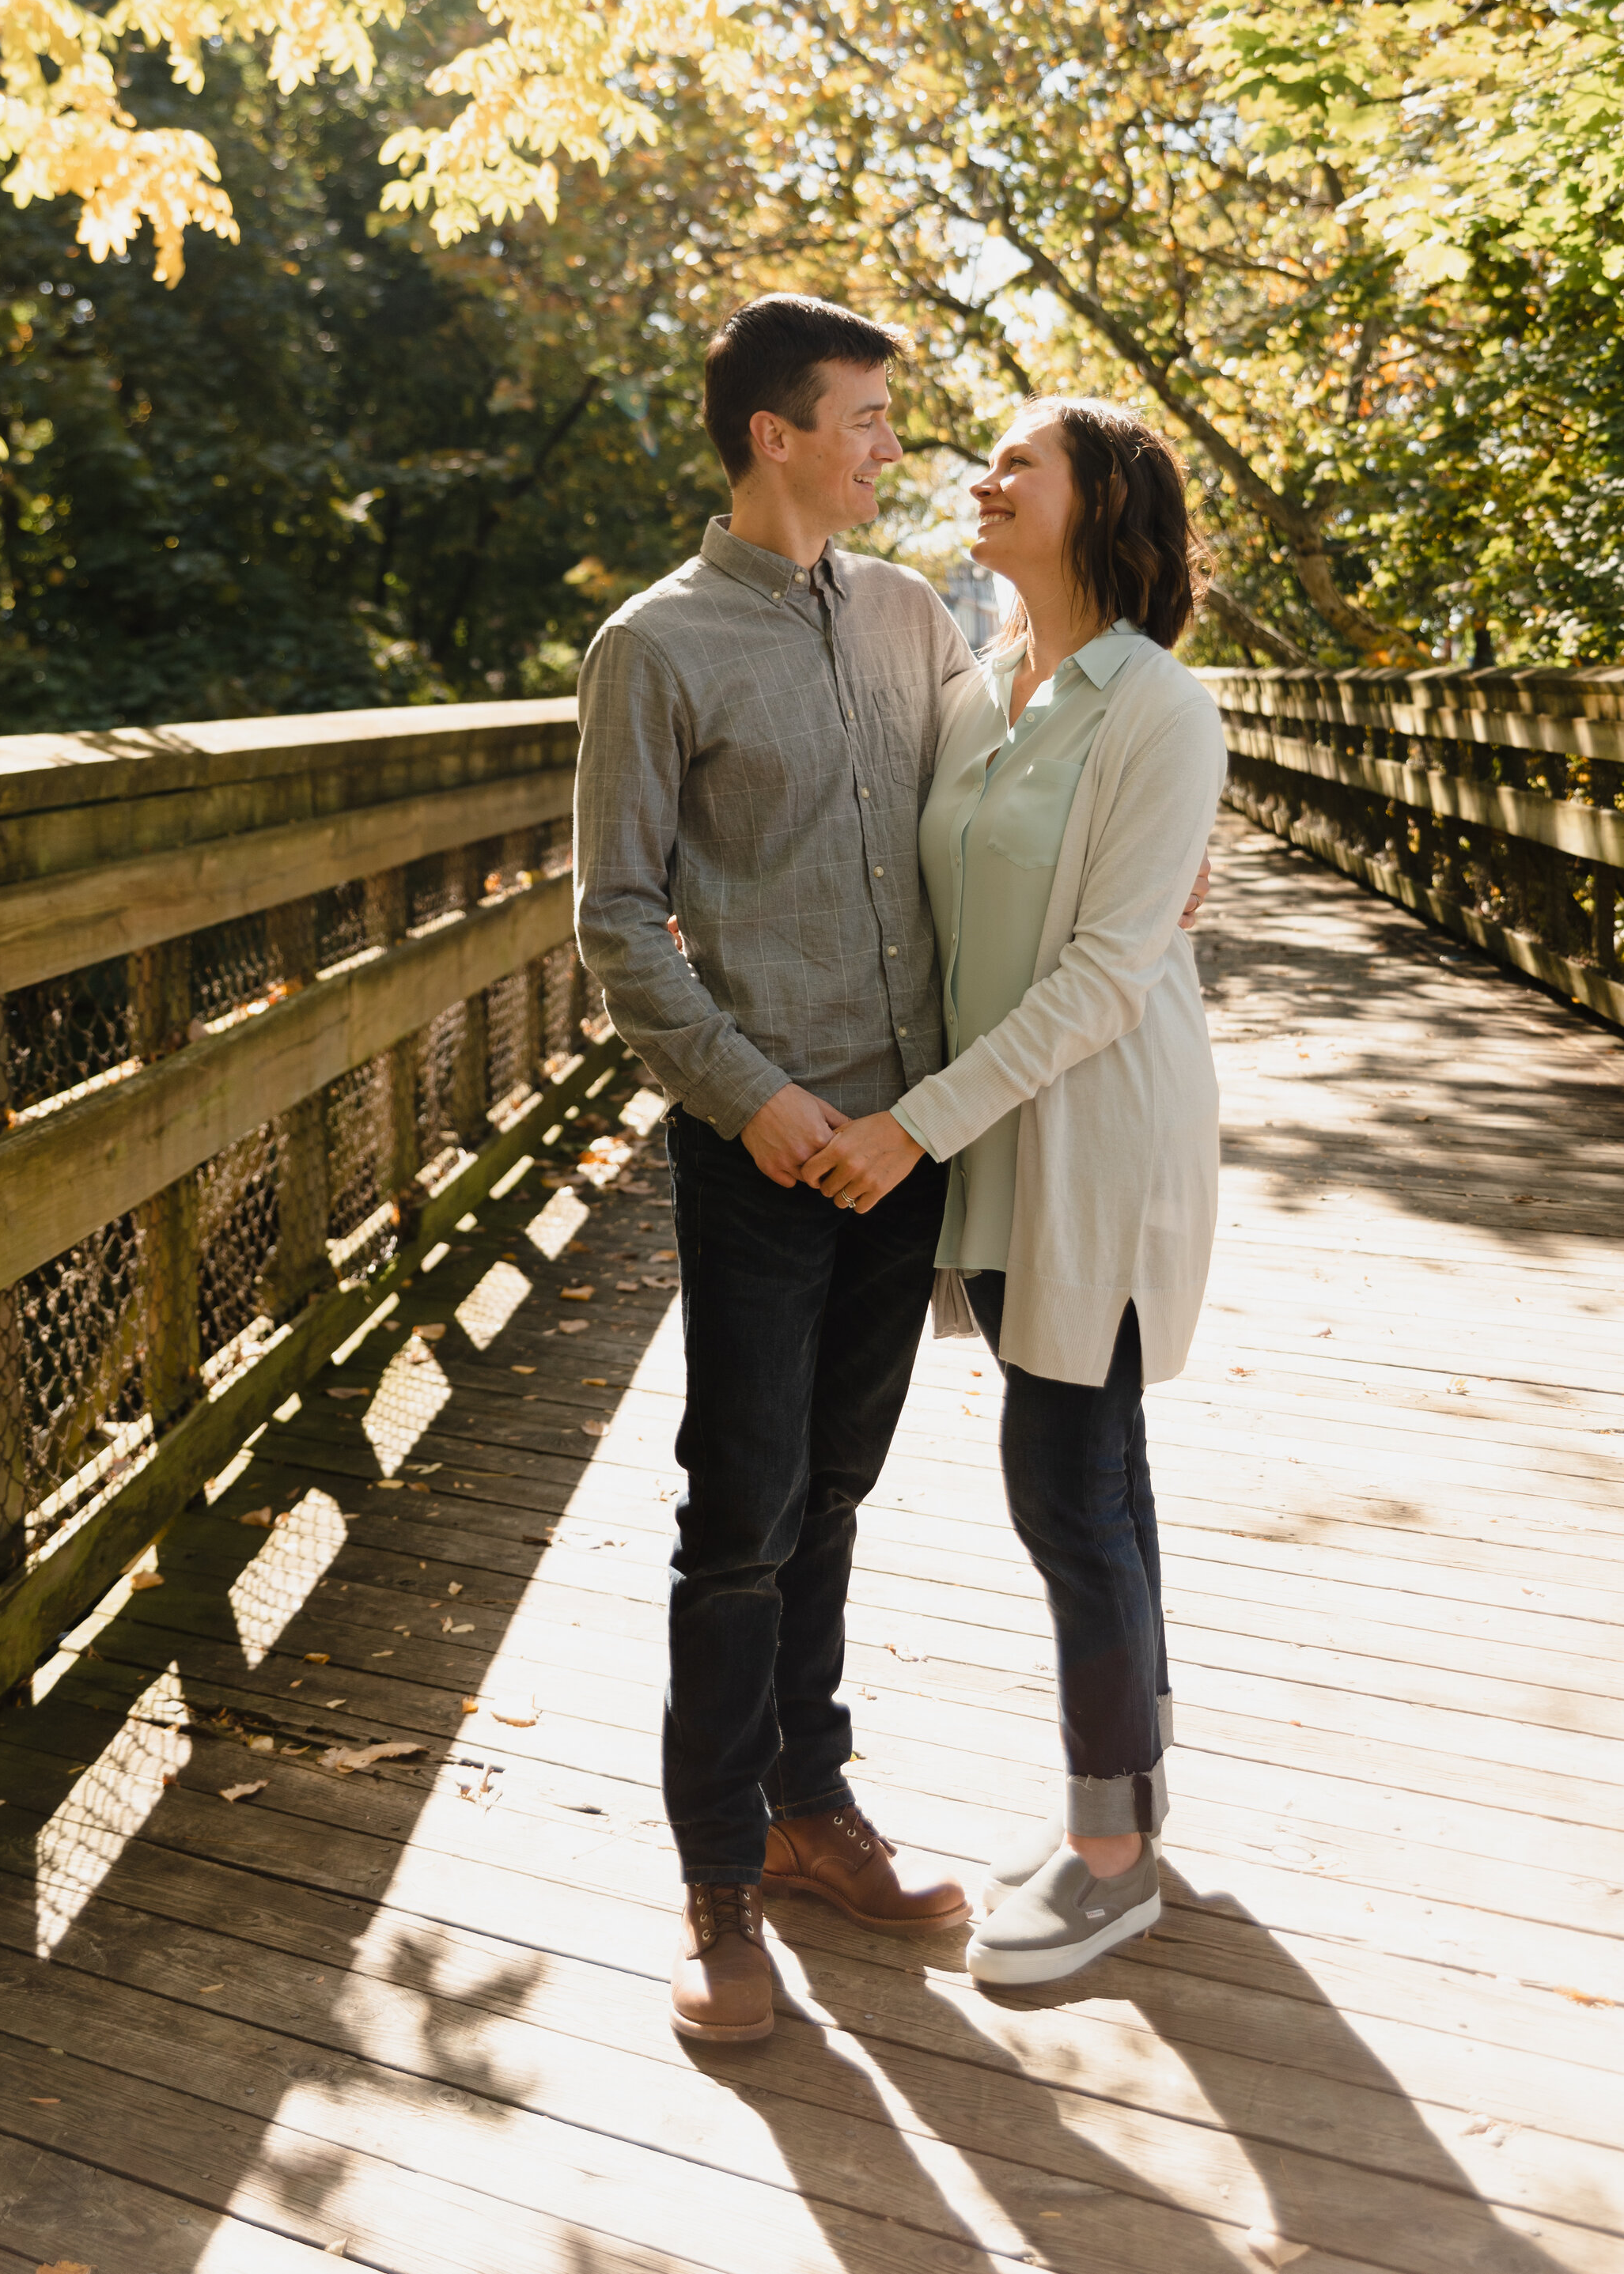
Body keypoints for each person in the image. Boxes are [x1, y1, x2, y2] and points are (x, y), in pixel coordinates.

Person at [572, 294, 982, 2046]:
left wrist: (1152, 858)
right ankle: (719, 1877)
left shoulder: (907, 617)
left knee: (833, 1488)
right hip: (761, 1146)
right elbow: (609, 917)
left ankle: (813, 1810)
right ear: (775, 434)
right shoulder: (651, 649)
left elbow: (1009, 793)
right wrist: (748, 1098)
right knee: (736, 1517)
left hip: (905, 1139)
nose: (892, 445)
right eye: (869, 417)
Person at [801, 397, 1225, 1989]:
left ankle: (1108, 1858)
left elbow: (1113, 968)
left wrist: (913, 1125)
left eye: (1014, 465)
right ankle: (1138, 1793)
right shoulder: (987, 692)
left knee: (1061, 1469)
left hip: (1097, 1131)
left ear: (1099, 500)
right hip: (995, 1125)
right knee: (1091, 1459)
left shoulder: (1157, 708)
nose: (977, 482)